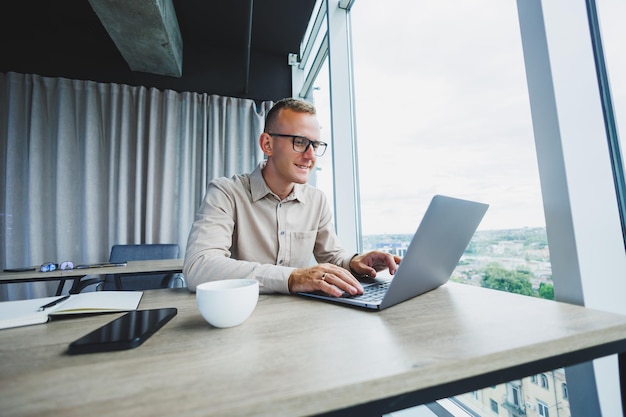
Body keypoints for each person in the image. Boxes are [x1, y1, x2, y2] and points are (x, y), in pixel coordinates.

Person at [183, 98, 400, 297]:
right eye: (299, 142)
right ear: (267, 144)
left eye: (314, 145)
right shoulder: (226, 193)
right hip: (244, 314)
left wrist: (355, 262)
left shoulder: (317, 200)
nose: (310, 156)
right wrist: (292, 278)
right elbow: (199, 266)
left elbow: (333, 257)